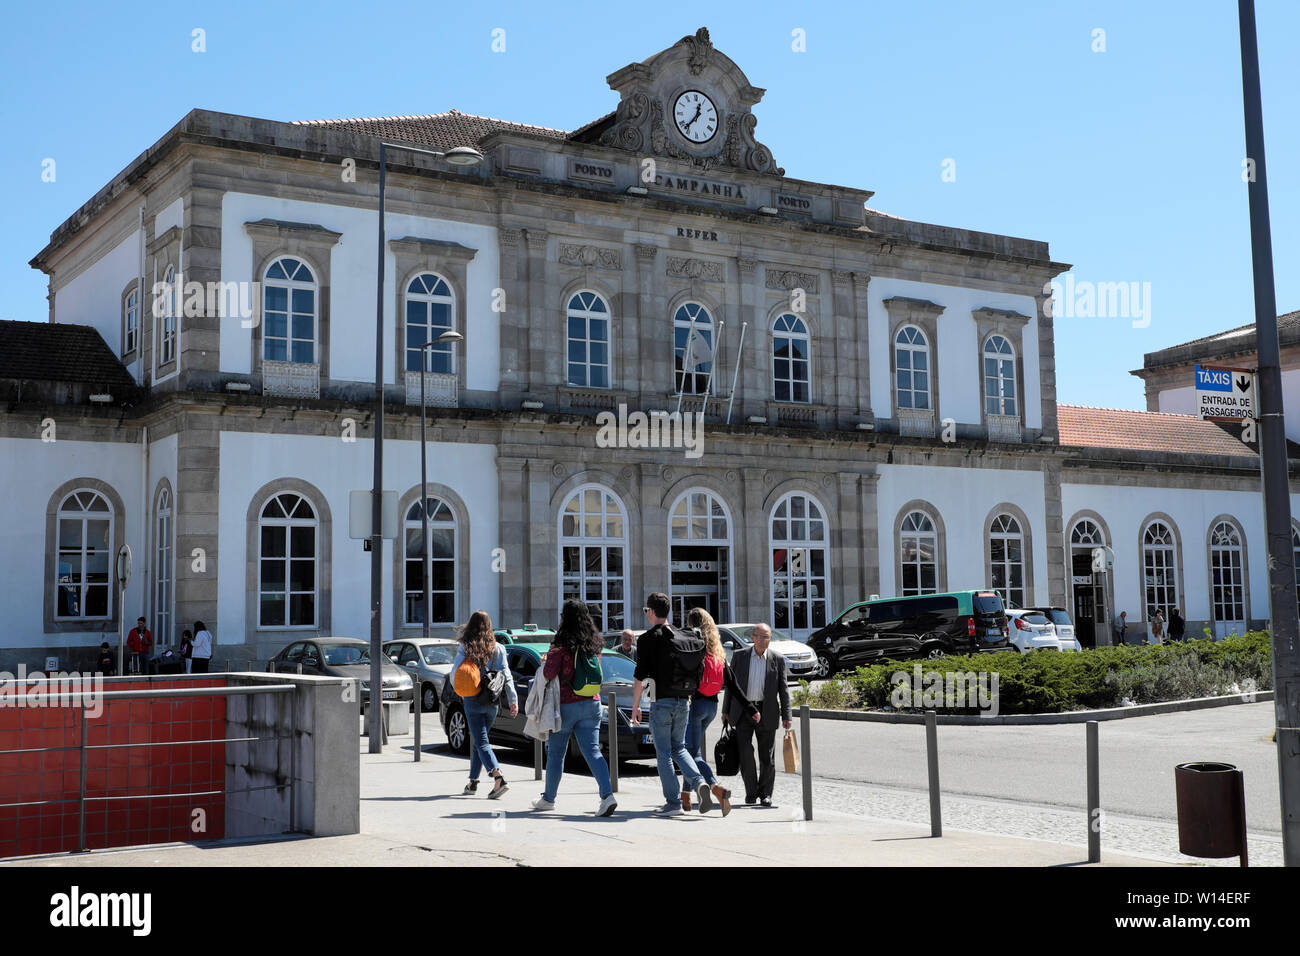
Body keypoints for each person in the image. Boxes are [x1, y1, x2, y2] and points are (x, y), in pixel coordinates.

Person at [531, 600, 617, 816]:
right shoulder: (594, 643)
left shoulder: (561, 643)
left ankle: (548, 799)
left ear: (564, 617)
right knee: (593, 751)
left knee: (556, 753)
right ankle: (607, 796)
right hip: (592, 702)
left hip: (566, 706)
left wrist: (546, 659)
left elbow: (550, 674)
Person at [631, 592, 713, 816]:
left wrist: (637, 705)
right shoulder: (681, 635)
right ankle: (698, 783)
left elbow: (641, 676)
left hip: (662, 702)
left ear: (651, 612)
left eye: (646, 610)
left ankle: (673, 803)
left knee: (664, 753)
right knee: (679, 747)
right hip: (684, 700)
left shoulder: (648, 639)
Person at [675, 607, 752, 817]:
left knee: (690, 753)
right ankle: (686, 796)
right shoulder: (717, 651)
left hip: (695, 705)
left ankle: (716, 788)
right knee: (691, 751)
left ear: (691, 624)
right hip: (711, 706)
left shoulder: (695, 647)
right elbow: (733, 684)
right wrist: (750, 707)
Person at [450, 609, 517, 799]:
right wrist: (513, 700)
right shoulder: (499, 648)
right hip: (492, 700)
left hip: (472, 698)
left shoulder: (466, 646)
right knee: (479, 740)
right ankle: (472, 782)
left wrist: (459, 690)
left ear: (471, 625)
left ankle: (498, 777)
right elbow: (507, 676)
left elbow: (455, 672)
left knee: (481, 741)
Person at [723, 622, 790, 807]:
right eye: (759, 636)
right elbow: (731, 686)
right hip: (743, 711)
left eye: (766, 637)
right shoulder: (740, 656)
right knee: (745, 754)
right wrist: (725, 710)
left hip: (766, 711)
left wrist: (787, 715)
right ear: (752, 638)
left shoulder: (777, 659)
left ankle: (766, 794)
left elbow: (783, 690)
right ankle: (751, 793)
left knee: (767, 756)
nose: (763, 640)